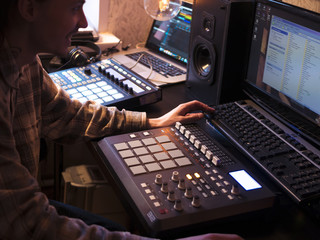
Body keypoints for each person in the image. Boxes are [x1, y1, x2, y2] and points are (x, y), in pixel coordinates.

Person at [0, 0, 244, 239]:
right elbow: (31, 226)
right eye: (75, 8)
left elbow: (66, 114)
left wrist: (152, 122)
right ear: (29, 8)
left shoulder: (25, 60)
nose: (83, 22)